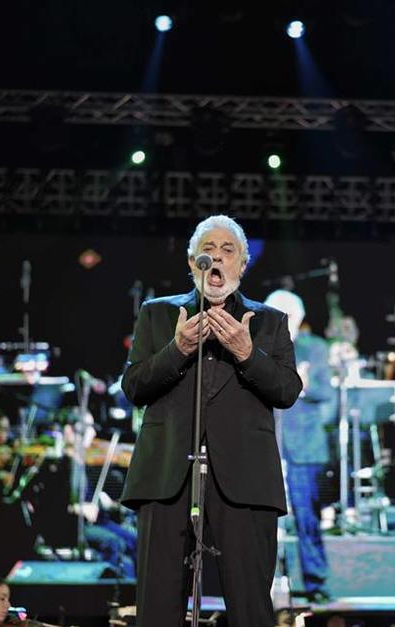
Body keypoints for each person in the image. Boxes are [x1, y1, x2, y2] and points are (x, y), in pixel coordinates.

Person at [120, 215, 302, 626]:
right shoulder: (158, 315)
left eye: (228, 251)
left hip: (246, 482)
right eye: (208, 251)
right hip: (167, 477)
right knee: (157, 610)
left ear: (243, 263)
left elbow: (288, 391)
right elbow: (133, 386)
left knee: (251, 610)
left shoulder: (270, 321)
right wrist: (177, 349)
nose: (216, 261)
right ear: (191, 262)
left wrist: (245, 352)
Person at [264, 289, 336, 604]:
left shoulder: (314, 348)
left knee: (307, 518)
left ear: (298, 318)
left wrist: (302, 385)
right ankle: (260, 582)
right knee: (261, 518)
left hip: (303, 448)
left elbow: (325, 392)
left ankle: (315, 582)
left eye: (286, 315)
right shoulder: (257, 348)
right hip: (264, 443)